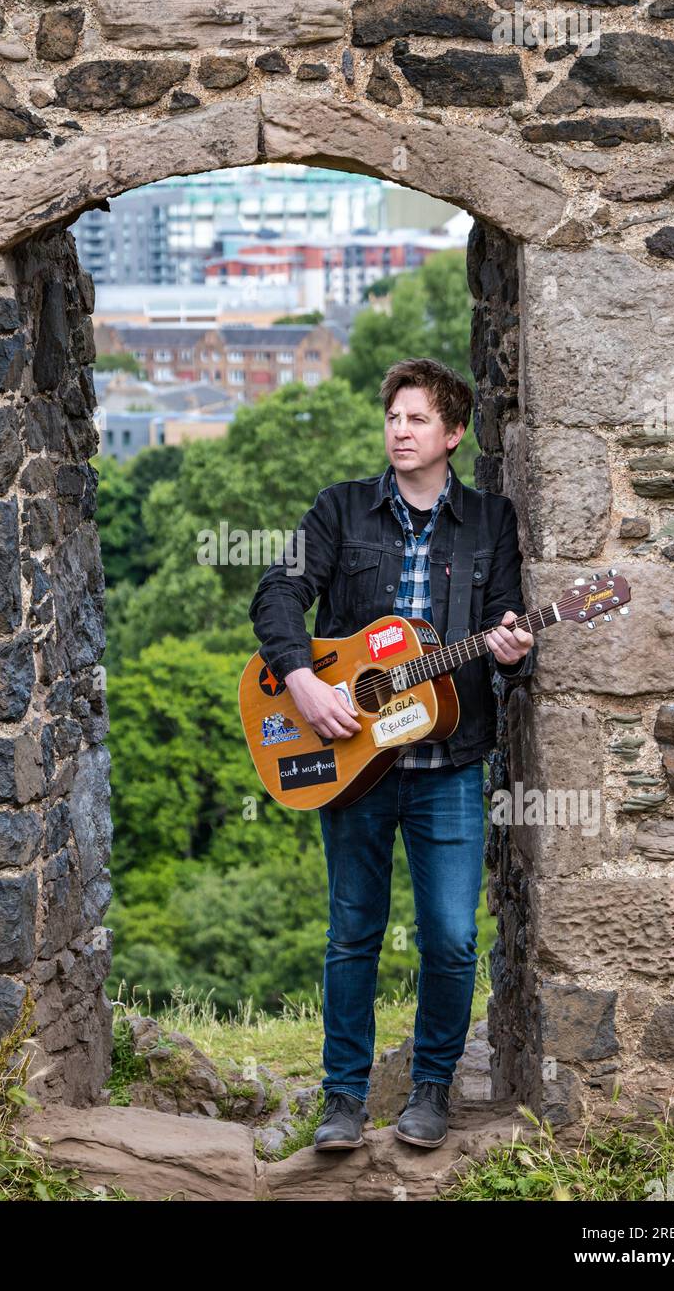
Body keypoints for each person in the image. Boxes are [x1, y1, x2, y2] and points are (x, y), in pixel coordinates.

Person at [247, 357, 535, 1152]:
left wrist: (511, 650)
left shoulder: (490, 522)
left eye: (416, 419)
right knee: (352, 933)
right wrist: (300, 677)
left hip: (448, 768)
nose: (399, 431)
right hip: (352, 765)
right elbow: (276, 591)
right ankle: (341, 1100)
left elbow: (507, 623)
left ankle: (430, 1091)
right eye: (392, 418)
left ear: (452, 433)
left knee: (448, 937)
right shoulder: (340, 512)